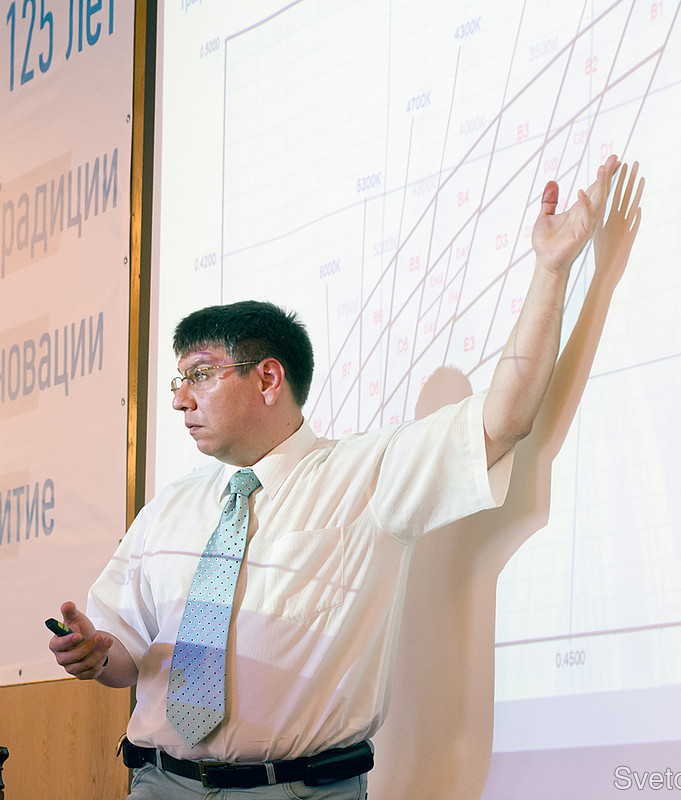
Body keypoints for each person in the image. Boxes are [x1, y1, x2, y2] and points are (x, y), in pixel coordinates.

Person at [50, 156, 623, 798]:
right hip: (159, 784)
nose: (181, 400)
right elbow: (124, 655)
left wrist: (552, 270)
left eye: (201, 376)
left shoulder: (365, 475)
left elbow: (504, 419)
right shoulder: (169, 510)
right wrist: (94, 653)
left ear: (268, 378)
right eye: (178, 381)